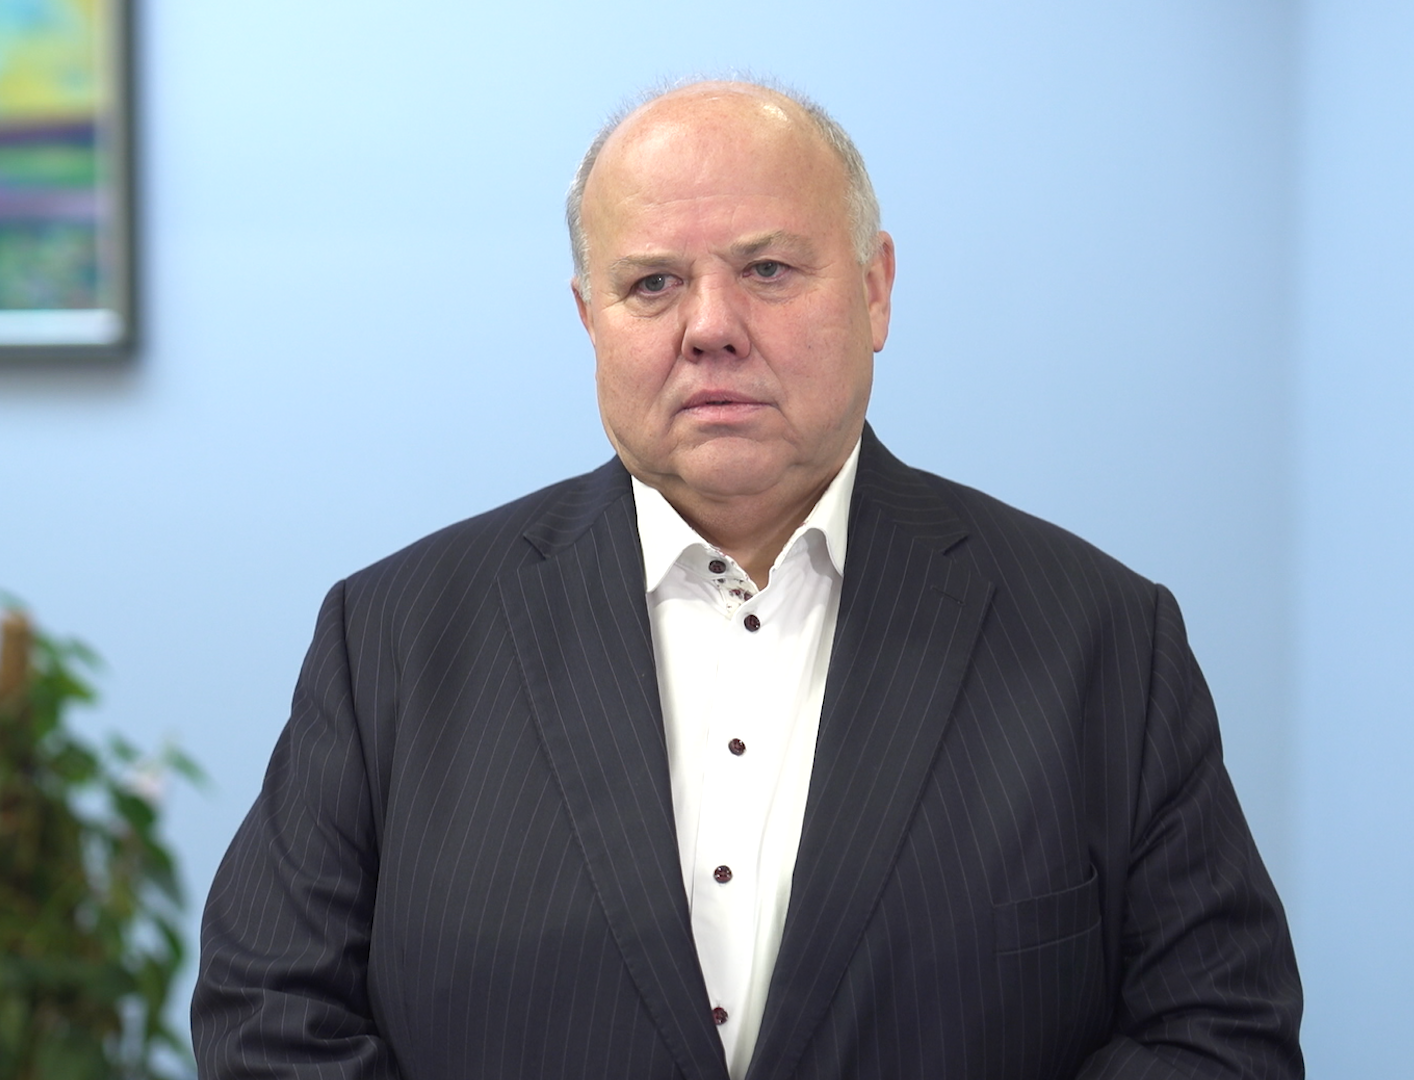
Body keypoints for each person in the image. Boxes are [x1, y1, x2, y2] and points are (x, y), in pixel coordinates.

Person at [191, 79, 1303, 1080]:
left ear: (875, 290)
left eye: (768, 270)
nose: (711, 328)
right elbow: (269, 1018)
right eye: (652, 284)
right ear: (589, 320)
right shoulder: (392, 636)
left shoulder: (1103, 638)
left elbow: (1220, 1032)